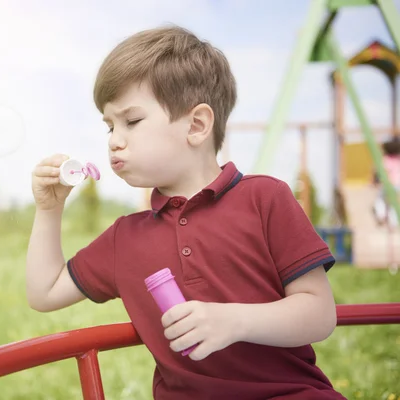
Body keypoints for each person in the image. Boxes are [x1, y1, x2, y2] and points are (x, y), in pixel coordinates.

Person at [26, 25, 344, 399]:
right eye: (109, 126)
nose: (114, 139)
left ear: (196, 125)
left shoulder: (265, 199)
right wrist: (49, 209)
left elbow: (319, 314)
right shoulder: (124, 238)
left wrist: (234, 320)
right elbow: (44, 293)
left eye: (132, 121)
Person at [373, 137, 400, 227]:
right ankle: (393, 222)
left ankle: (381, 214)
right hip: (398, 185)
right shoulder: (398, 159)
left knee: (380, 199)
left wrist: (376, 181)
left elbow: (381, 171)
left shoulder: (385, 159)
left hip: (388, 184)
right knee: (393, 203)